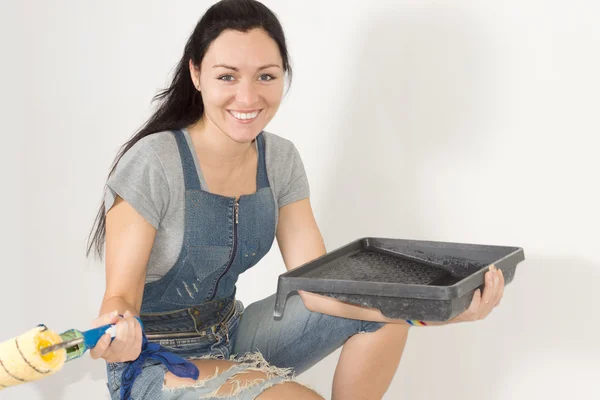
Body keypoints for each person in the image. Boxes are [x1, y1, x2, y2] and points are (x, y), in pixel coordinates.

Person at [85, 0, 506, 399]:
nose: (248, 98)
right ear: (196, 74)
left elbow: (320, 289)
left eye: (265, 76)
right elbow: (120, 299)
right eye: (227, 76)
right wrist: (117, 329)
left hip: (232, 335)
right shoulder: (155, 162)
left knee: (386, 315)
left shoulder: (280, 158)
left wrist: (435, 312)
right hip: (157, 361)